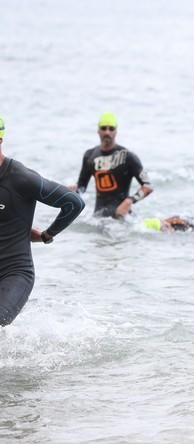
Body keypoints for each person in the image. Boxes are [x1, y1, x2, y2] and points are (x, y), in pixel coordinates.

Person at [0, 116, 85, 326]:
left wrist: (48, 234)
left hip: (14, 273)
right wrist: (24, 230)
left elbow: (73, 202)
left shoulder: (21, 178)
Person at [70, 112, 153, 218]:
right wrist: (71, 191)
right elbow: (81, 188)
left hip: (122, 218)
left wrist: (130, 201)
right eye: (104, 128)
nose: (107, 132)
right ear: (98, 131)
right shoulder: (89, 156)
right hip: (98, 218)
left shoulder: (128, 156)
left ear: (116, 131)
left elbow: (148, 186)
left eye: (111, 129)